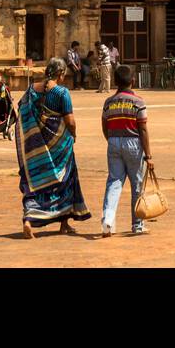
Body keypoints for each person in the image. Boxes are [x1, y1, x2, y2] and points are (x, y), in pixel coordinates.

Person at [17, 57, 91, 237]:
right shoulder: (62, 93)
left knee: (36, 182)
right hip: (60, 147)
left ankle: (29, 219)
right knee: (65, 180)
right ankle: (63, 222)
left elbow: (21, 110)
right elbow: (70, 121)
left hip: (37, 149)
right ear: (60, 73)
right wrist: (73, 134)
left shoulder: (31, 89)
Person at [101, 63, 153, 237]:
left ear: (116, 82)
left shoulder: (109, 102)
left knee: (114, 182)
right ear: (133, 81)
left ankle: (108, 221)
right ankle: (137, 225)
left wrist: (112, 140)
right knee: (136, 185)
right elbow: (143, 129)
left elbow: (104, 125)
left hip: (114, 141)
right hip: (133, 143)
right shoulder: (138, 101)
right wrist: (148, 154)